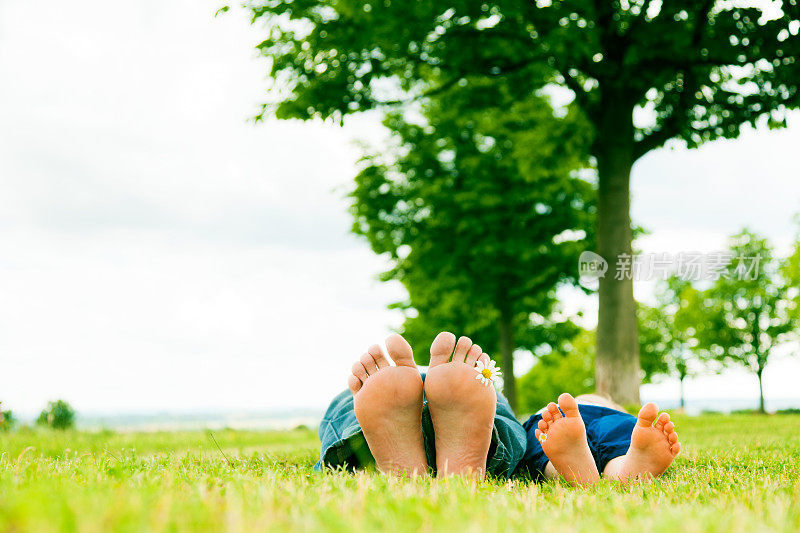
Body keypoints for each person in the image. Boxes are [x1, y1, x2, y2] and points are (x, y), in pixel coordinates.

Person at [315, 332, 681, 485]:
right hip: (468, 403)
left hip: (384, 404)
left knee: (351, 406)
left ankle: (383, 456)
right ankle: (620, 467)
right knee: (529, 429)